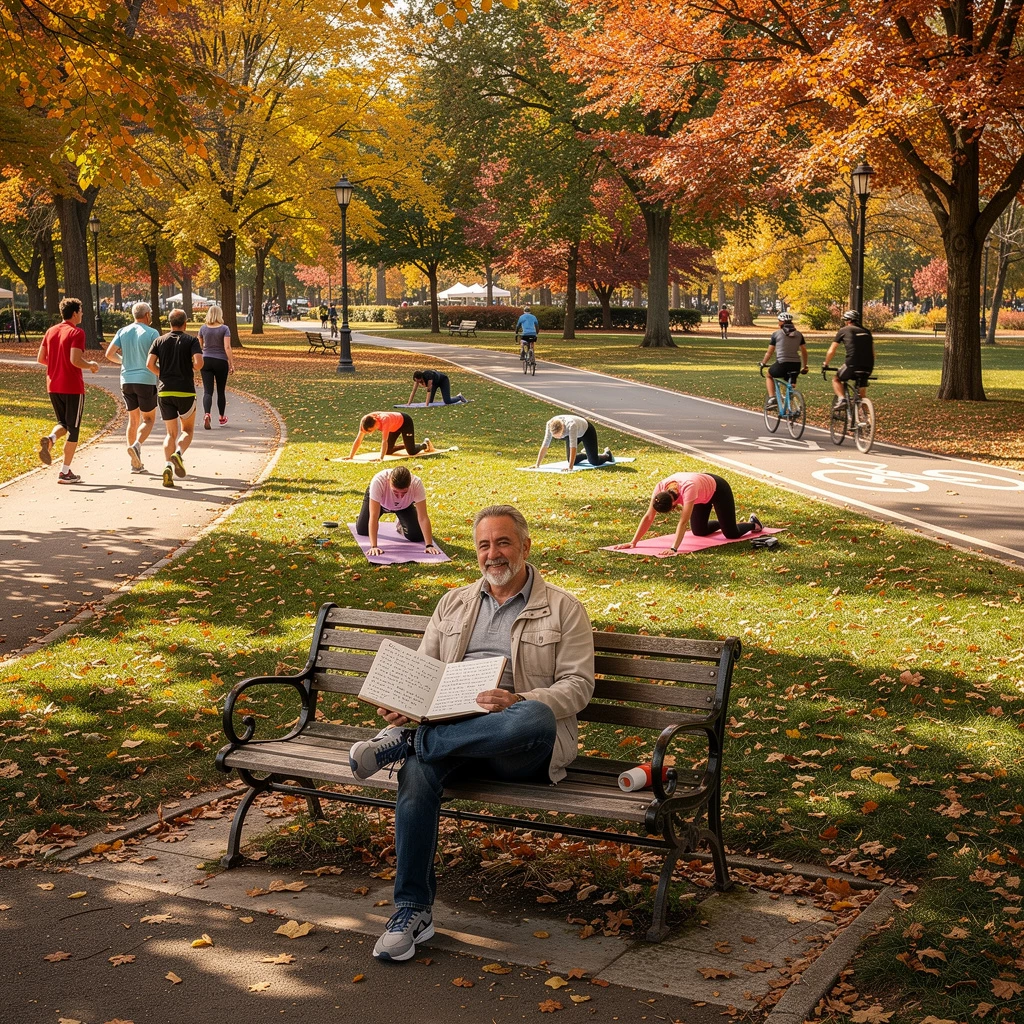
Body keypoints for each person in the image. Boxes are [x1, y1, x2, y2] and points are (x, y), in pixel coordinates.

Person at [348, 504, 595, 961]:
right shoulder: (454, 603)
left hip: (518, 743)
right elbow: (424, 672)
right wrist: (404, 705)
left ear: (525, 546)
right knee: (418, 774)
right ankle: (412, 910)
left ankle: (409, 746)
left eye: (503, 542)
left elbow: (579, 687)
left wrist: (520, 700)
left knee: (533, 717)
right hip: (454, 732)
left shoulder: (563, 609)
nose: (493, 554)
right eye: (484, 545)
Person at [616, 472, 762, 556]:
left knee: (731, 533)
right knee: (699, 531)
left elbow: (683, 521)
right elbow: (649, 516)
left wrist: (673, 548)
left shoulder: (688, 489)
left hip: (717, 489)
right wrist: (633, 542)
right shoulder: (660, 488)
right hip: (701, 495)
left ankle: (753, 523)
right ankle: (723, 523)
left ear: (674, 504)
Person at [36, 297, 99, 484]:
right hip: (72, 386)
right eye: (81, 311)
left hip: (53, 385)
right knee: (74, 429)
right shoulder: (77, 332)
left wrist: (56, 366)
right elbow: (75, 360)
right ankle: (65, 472)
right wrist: (91, 365)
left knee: (62, 422)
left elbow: (41, 358)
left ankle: (51, 438)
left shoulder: (51, 331)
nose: (82, 314)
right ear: (74, 313)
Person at [146, 308, 203, 489]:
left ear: (169, 323)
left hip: (165, 391)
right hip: (185, 390)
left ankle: (168, 467)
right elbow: (199, 362)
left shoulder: (159, 340)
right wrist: (190, 370)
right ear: (185, 323)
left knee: (170, 433)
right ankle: (178, 454)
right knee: (187, 430)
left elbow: (149, 364)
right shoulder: (191, 340)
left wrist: (162, 374)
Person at [105, 301, 160, 474]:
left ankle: (134, 463)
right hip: (146, 379)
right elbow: (157, 357)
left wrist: (124, 361)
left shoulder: (123, 331)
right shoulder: (152, 333)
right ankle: (136, 446)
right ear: (147, 315)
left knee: (133, 420)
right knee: (149, 420)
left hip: (126, 379)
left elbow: (109, 354)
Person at [355, 466, 440, 556]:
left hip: (404, 506)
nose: (399, 497)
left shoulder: (416, 484)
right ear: (389, 481)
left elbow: (423, 517)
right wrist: (374, 546)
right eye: (395, 492)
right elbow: (373, 516)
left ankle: (400, 524)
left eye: (404, 493)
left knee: (417, 536)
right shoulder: (378, 481)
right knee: (362, 530)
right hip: (380, 504)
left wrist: (429, 545)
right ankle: (361, 517)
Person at [823, 310, 875, 414]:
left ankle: (842, 399)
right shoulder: (867, 331)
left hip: (852, 364)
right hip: (868, 366)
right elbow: (873, 353)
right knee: (862, 396)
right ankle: (869, 420)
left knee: (836, 379)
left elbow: (832, 350)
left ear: (848, 321)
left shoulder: (844, 330)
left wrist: (826, 363)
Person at [345, 411, 434, 462]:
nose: (369, 433)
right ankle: (407, 444)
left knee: (411, 451)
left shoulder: (385, 420)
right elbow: (359, 439)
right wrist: (351, 456)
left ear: (376, 421)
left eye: (371, 430)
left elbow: (384, 441)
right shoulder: (365, 421)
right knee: (387, 451)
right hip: (394, 427)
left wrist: (381, 458)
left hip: (405, 422)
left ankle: (425, 444)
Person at [759, 312, 807, 407]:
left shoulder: (776, 334)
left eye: (779, 321)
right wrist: (805, 366)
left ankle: (772, 398)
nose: (778, 322)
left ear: (782, 322)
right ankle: (793, 402)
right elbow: (804, 352)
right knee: (791, 381)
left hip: (782, 363)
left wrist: (763, 363)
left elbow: (769, 352)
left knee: (769, 375)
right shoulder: (799, 334)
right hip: (796, 364)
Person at [198, 304, 233, 429]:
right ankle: (221, 417)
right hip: (221, 361)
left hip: (206, 360)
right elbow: (227, 347)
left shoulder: (203, 328)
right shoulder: (224, 329)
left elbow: (199, 347)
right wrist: (231, 363)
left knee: (207, 391)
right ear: (220, 314)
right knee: (220, 391)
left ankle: (207, 414)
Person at [535, 414, 613, 470]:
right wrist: (537, 465)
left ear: (562, 428)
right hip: (572, 433)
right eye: (555, 436)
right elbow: (545, 445)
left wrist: (570, 468)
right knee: (571, 460)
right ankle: (586, 453)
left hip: (586, 432)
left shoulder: (571, 426)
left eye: (559, 435)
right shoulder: (549, 424)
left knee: (594, 461)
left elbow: (573, 446)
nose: (558, 438)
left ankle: (607, 454)